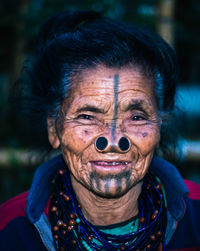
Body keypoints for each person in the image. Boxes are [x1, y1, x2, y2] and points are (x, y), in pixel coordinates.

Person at [0, 10, 199, 251]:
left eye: (136, 117)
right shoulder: (10, 230)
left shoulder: (196, 218)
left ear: (159, 125)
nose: (113, 141)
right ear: (54, 128)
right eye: (87, 117)